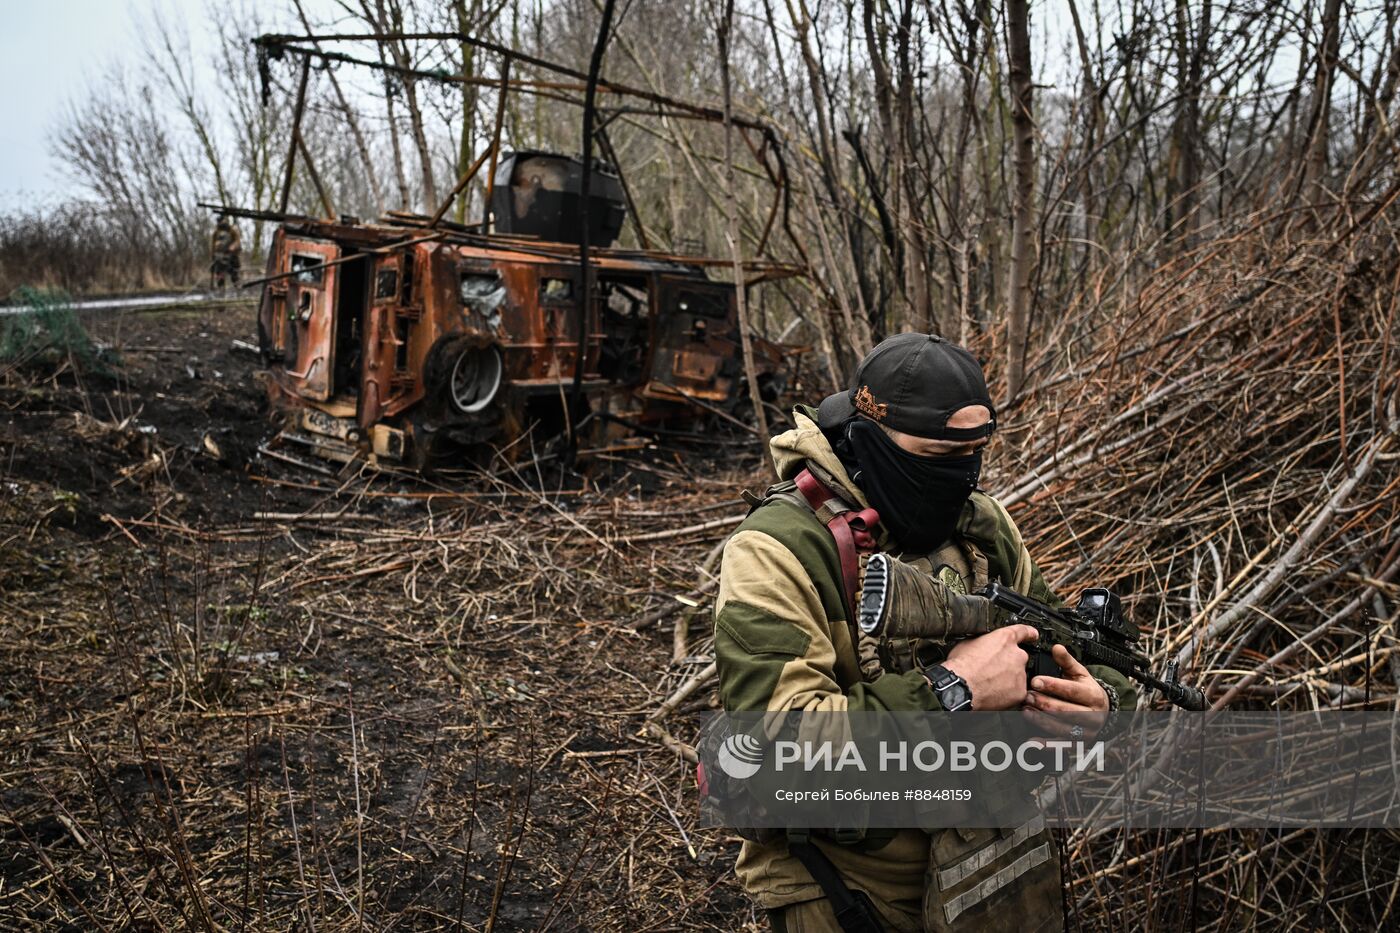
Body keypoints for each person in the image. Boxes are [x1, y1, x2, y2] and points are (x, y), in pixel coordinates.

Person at [714, 333, 1137, 932]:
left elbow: (1067, 641)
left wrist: (1098, 702)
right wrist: (951, 688)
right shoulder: (779, 549)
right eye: (934, 457)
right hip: (850, 890)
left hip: (991, 863)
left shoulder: (979, 527)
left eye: (972, 456)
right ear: (871, 439)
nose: (958, 476)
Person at [211, 216, 243, 288]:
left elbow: (237, 241)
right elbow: (213, 245)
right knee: (220, 273)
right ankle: (220, 288)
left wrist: (233, 246)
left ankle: (237, 286)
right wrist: (213, 254)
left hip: (232, 255)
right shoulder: (216, 232)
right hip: (220, 256)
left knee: (234, 273)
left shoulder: (232, 230)